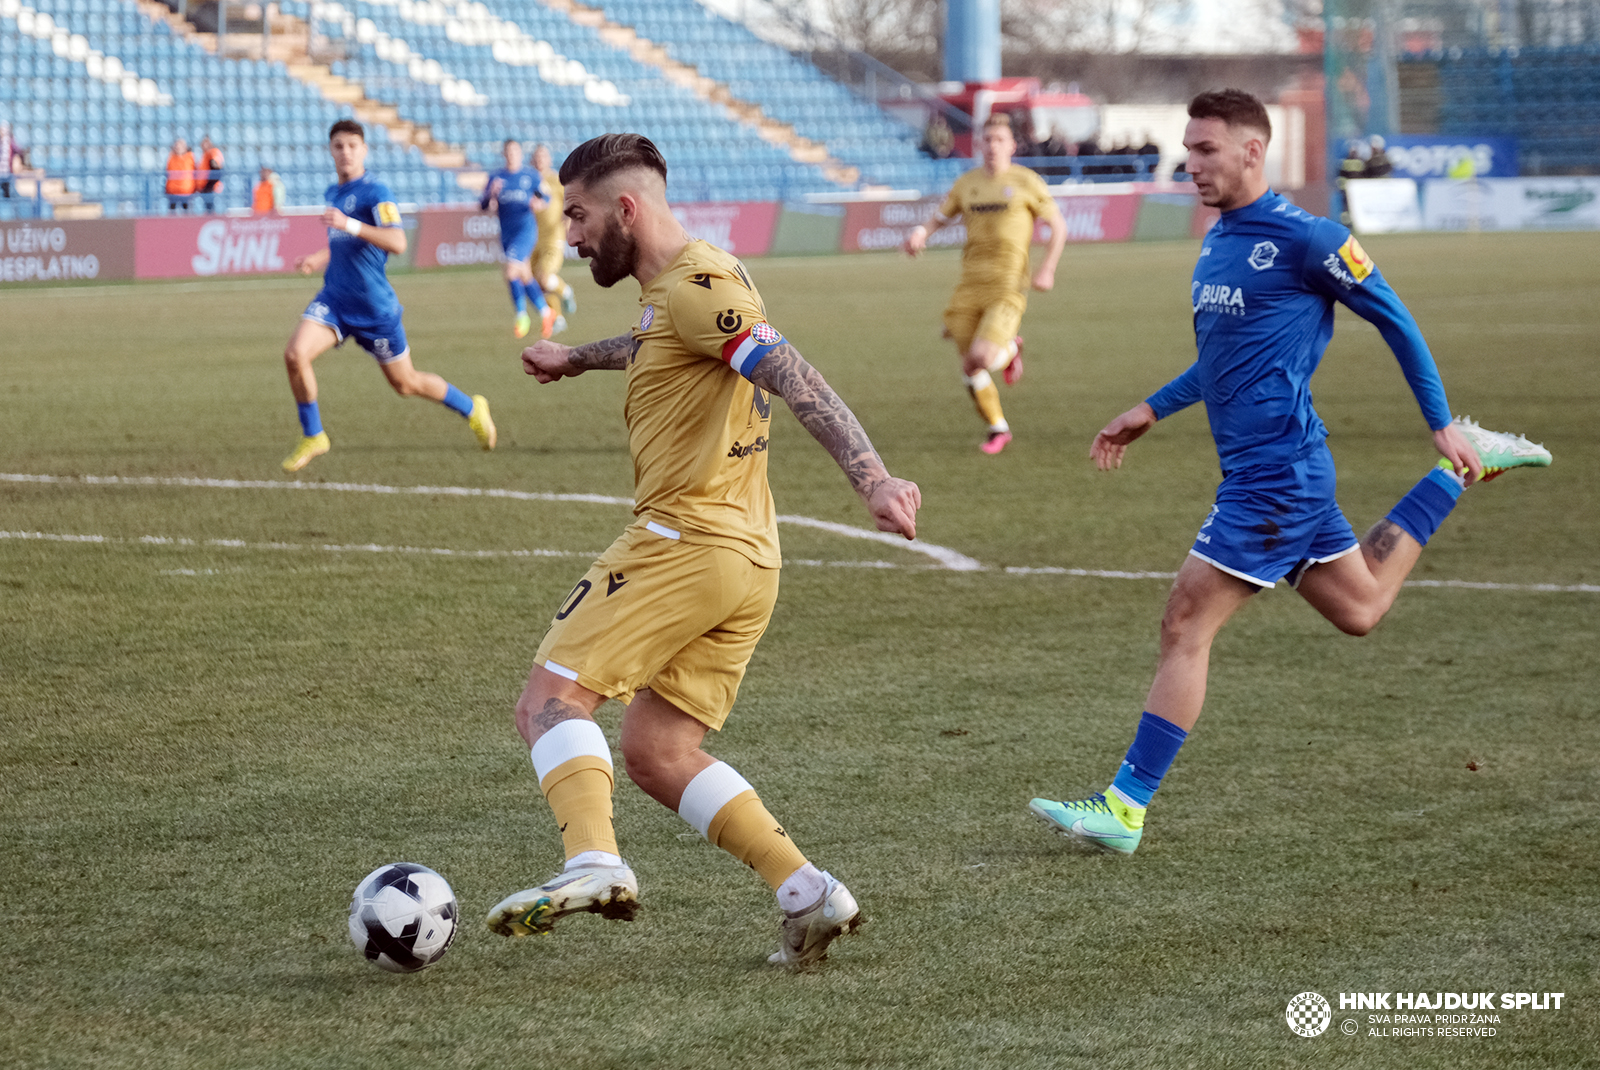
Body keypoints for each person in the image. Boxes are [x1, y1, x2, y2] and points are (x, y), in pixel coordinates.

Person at [1027, 89, 1552, 855]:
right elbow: (1224, 360)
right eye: (1188, 147)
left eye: (1205, 149)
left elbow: (1395, 318)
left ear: (1251, 150)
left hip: (1274, 478)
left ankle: (1126, 806)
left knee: (1184, 621)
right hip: (1280, 472)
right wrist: (1154, 406)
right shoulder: (1220, 238)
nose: (1190, 162)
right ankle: (1456, 474)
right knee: (1360, 609)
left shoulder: (1311, 240)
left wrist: (1437, 417)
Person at [484, 133, 922, 968]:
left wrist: (874, 480)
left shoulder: (699, 286)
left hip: (683, 539)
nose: (569, 235)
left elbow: (795, 375)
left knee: (549, 700)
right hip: (749, 558)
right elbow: (662, 338)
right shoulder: (692, 284)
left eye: (576, 215)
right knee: (657, 750)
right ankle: (807, 891)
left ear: (625, 208)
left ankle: (593, 861)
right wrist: (579, 358)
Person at [279, 120, 496, 473]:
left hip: (374, 309)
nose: (345, 152)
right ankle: (314, 434)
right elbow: (345, 244)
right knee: (294, 355)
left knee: (405, 383)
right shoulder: (333, 194)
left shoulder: (376, 191)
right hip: (334, 300)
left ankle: (472, 408)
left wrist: (348, 224)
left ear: (364, 150)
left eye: (352, 145)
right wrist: (318, 257)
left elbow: (397, 242)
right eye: (338, 146)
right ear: (330, 151)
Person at [902, 112, 1067, 454]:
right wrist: (921, 233)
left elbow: (1059, 227)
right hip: (969, 285)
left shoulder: (1026, 182)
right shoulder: (967, 183)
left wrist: (1047, 268)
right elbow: (940, 217)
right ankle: (998, 428)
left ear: (1012, 145)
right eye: (987, 140)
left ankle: (1009, 350)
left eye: (999, 140)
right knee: (969, 365)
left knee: (980, 356)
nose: (992, 146)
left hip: (1007, 285)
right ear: (979, 145)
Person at [480, 139, 560, 340]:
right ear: (504, 155)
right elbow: (484, 205)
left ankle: (521, 315)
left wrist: (539, 203)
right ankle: (546, 312)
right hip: (506, 233)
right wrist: (492, 194)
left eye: (515, 152)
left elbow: (546, 197)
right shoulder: (496, 178)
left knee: (510, 270)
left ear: (520, 154)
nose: (512, 155)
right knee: (524, 276)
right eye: (508, 152)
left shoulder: (530, 176)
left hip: (525, 231)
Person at [530, 143, 578, 321]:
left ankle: (566, 291)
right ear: (531, 160)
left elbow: (570, 205)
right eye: (536, 157)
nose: (539, 160)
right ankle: (556, 318)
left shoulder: (557, 181)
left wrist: (567, 223)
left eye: (542, 157)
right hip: (532, 239)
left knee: (544, 277)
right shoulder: (528, 180)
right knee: (536, 284)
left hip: (552, 237)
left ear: (549, 159)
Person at [164, 138, 196, 213]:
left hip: (186, 191)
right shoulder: (171, 157)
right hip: (173, 190)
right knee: (172, 214)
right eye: (177, 145)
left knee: (187, 213)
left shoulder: (190, 157)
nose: (178, 147)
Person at [197, 135, 225, 213]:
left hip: (210, 187)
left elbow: (216, 165)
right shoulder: (204, 154)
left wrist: (208, 186)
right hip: (204, 187)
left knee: (210, 209)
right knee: (207, 208)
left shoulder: (212, 151)